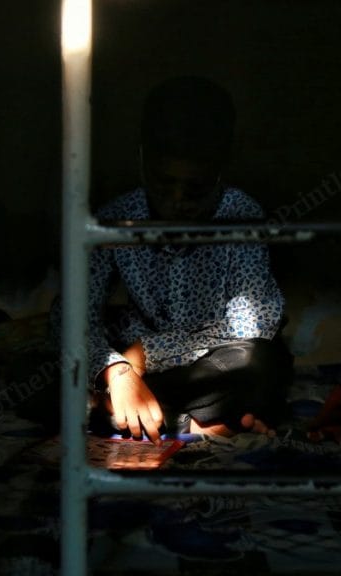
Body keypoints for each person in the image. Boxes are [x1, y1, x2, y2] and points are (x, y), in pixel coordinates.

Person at [57, 76, 293, 445]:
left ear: (219, 171)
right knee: (42, 369)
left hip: (207, 366)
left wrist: (148, 353)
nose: (178, 202)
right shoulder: (116, 219)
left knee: (260, 362)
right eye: (164, 185)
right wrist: (115, 369)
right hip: (133, 370)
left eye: (196, 189)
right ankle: (183, 420)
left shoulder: (242, 215)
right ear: (142, 160)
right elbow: (72, 313)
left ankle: (119, 412)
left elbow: (256, 321)